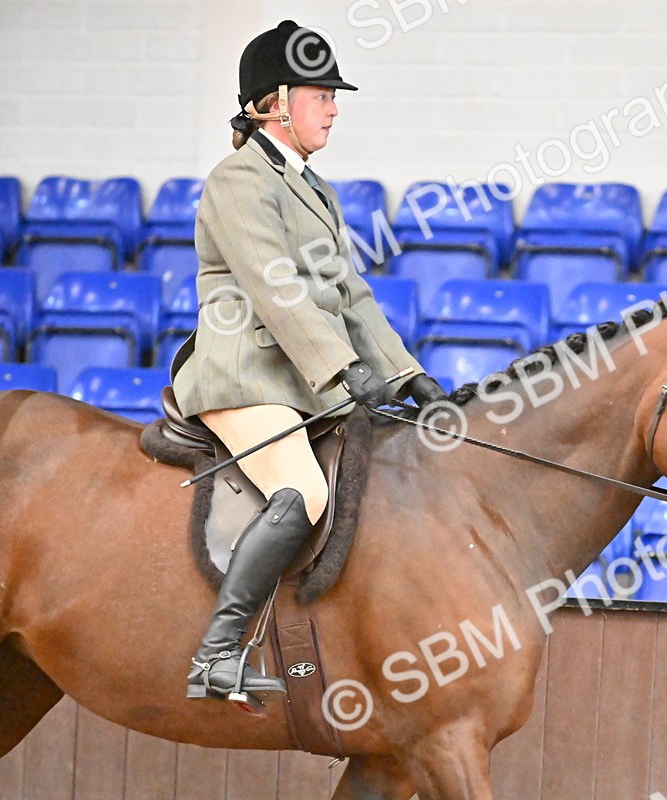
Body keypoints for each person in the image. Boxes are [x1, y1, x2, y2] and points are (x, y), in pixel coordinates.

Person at [169, 20, 447, 704]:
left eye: (333, 95)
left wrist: (408, 371)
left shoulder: (313, 188)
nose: (334, 106)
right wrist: (339, 369)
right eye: (321, 93)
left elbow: (348, 292)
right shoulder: (238, 179)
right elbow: (275, 285)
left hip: (298, 379)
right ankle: (217, 654)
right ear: (275, 103)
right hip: (244, 374)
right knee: (307, 490)